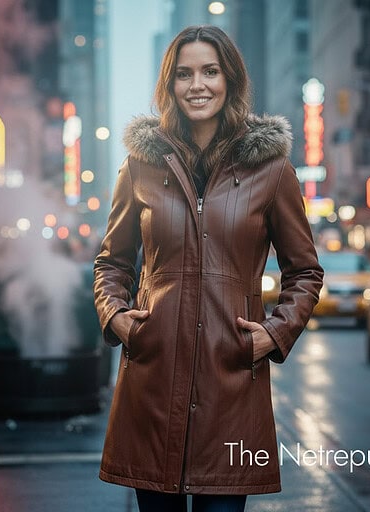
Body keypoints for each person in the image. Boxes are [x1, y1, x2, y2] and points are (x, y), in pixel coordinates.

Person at [93, 25, 323, 512]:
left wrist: (275, 333)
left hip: (233, 383)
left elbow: (304, 272)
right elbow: (112, 262)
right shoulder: (140, 165)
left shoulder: (272, 169)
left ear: (230, 79)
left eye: (210, 71)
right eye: (184, 74)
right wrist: (116, 316)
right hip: (153, 384)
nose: (197, 85)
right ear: (169, 86)